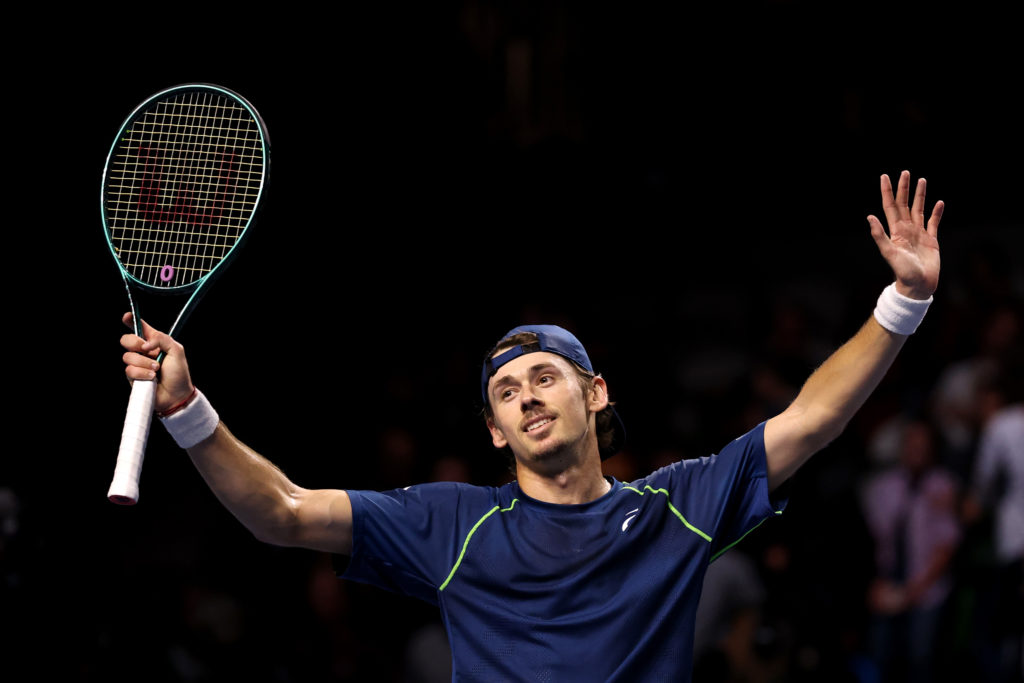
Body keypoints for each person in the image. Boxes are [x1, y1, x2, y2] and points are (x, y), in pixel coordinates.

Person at [120, 172, 943, 681]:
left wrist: (902, 301)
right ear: (495, 432)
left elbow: (814, 416)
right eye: (506, 392)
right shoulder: (448, 522)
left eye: (545, 376)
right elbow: (285, 512)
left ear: (595, 394)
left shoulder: (677, 505)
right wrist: (191, 412)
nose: (526, 396)